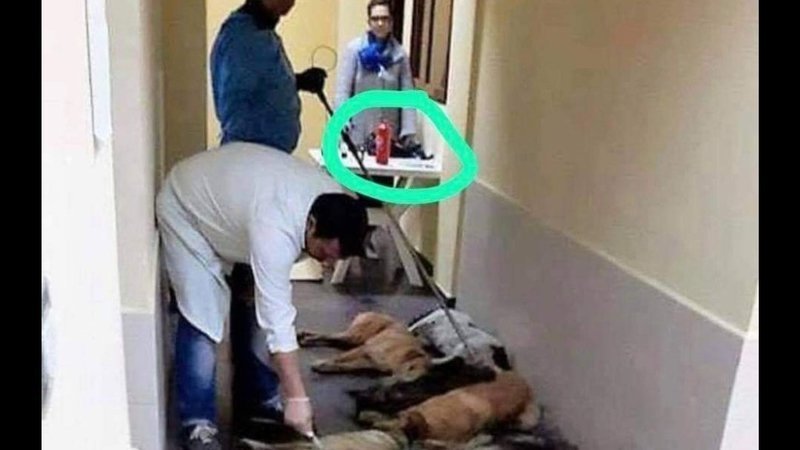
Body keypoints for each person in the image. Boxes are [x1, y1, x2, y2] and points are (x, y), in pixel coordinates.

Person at [156, 142, 369, 450]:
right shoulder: (276, 230)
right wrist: (297, 397)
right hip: (187, 208)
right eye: (325, 253)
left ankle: (257, 398)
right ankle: (198, 424)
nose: (329, 264)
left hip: (235, 210)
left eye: (337, 258)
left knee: (251, 303)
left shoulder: (333, 204)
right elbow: (278, 320)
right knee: (203, 316)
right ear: (311, 226)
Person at [210, 0, 327, 153]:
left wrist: (297, 82)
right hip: (251, 156)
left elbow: (262, 85)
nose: (292, 3)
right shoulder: (241, 38)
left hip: (267, 155)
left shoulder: (261, 33)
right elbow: (236, 109)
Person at [335, 0, 418, 150]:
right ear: (369, 22)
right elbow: (343, 91)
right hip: (359, 134)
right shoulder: (354, 50)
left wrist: (408, 132)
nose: (380, 23)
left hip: (389, 137)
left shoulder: (400, 55)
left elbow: (408, 97)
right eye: (375, 19)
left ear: (391, 22)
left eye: (385, 19)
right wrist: (342, 122)